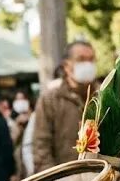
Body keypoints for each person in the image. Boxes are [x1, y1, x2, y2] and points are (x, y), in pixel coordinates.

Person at [32, 41, 98, 171]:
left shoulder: (103, 97)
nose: (88, 64)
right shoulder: (50, 100)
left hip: (100, 179)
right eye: (81, 59)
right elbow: (41, 146)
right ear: (66, 66)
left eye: (91, 59)